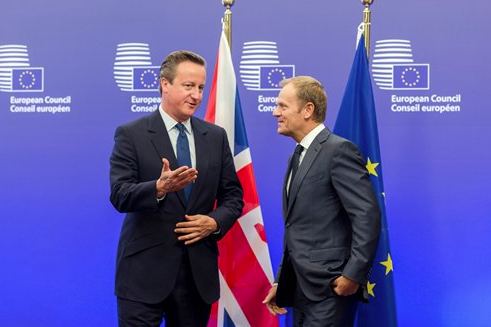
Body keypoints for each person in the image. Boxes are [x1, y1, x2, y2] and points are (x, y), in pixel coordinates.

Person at [109, 50, 244, 327]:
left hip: (196, 277)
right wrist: (158, 188)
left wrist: (214, 222)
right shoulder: (132, 134)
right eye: (188, 86)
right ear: (165, 84)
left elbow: (233, 196)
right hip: (143, 275)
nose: (196, 95)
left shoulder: (215, 137)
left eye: (201, 88)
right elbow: (120, 195)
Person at [263, 76, 381, 327]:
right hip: (299, 290)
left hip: (331, 289)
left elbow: (366, 215)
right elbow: (296, 227)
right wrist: (281, 281)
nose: (275, 112)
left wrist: (353, 274)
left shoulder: (339, 151)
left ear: (308, 110)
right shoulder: (297, 156)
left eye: (283, 106)